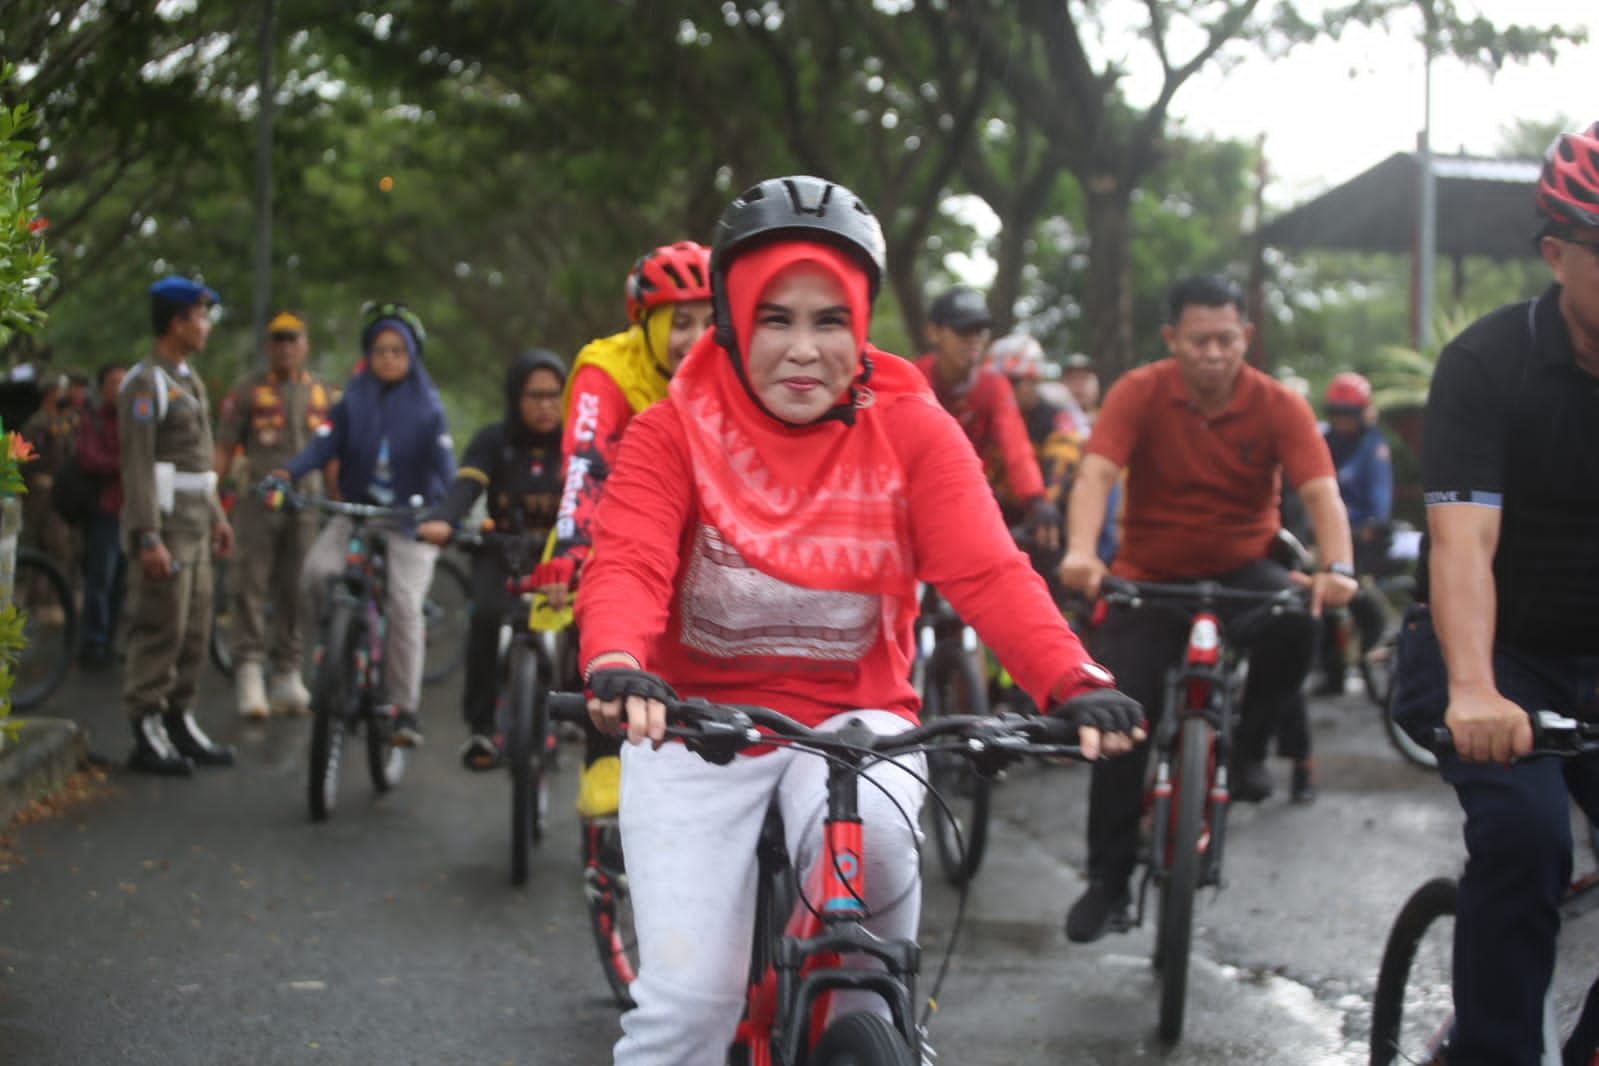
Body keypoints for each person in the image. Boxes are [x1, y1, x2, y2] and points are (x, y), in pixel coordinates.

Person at [576, 174, 1143, 1066]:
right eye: (775, 319)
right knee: (687, 1013)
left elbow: (988, 570)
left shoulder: (914, 429)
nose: (803, 350)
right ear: (730, 321)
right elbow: (631, 561)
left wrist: (1072, 679)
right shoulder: (668, 431)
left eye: (829, 320)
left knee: (872, 921)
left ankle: (872, 1022)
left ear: (863, 324)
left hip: (855, 724)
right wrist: (614, 658)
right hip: (692, 726)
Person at [1058, 274, 1357, 942]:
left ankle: (1247, 745)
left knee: (1296, 620)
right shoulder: (1137, 391)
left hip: (1240, 569)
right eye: (1199, 340)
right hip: (1150, 576)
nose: (1214, 353)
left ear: (1245, 336)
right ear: (1172, 340)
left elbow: (1320, 493)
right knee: (1118, 717)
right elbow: (1097, 474)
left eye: (1227, 339)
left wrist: (1336, 568)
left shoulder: (1276, 403)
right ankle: (1108, 879)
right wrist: (1083, 552)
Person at [1401, 120, 1599, 1066]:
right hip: (1488, 652)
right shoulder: (1490, 362)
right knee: (1525, 841)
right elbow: (1462, 543)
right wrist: (1475, 688)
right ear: (1557, 253)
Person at [535, 240, 714, 819]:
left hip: (702, 532)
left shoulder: (732, 365)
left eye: (711, 321)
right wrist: (569, 547)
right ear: (647, 322)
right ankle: (601, 752)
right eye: (680, 322)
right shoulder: (604, 369)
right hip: (605, 523)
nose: (696, 338)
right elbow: (585, 465)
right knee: (593, 609)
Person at [275, 303, 454, 748]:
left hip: (409, 522)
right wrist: (288, 472)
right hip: (355, 513)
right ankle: (335, 642)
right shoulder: (352, 399)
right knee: (316, 572)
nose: (388, 358)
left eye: (398, 350)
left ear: (412, 355)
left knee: (404, 603)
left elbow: (447, 468)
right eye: (380, 350)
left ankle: (403, 709)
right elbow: (321, 445)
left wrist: (448, 514)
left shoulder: (429, 408)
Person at [418, 349, 566, 770]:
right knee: (483, 617)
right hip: (501, 552)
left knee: (588, 621)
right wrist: (444, 519)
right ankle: (481, 726)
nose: (545, 405)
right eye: (534, 395)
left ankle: (578, 713)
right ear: (515, 398)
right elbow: (467, 484)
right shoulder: (493, 441)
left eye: (555, 395)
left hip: (562, 558)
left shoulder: (577, 441)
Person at [120, 275, 237, 776]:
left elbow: (196, 466)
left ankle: (178, 720)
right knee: (160, 630)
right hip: (165, 530)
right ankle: (146, 726)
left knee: (194, 631)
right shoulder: (145, 384)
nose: (206, 326)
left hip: (194, 526)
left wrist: (218, 516)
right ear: (176, 322)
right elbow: (139, 466)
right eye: (200, 316)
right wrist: (148, 537)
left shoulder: (186, 379)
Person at [213, 311, 332, 720]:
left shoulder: (321, 392)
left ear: (305, 345)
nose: (285, 347)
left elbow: (334, 456)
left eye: (292, 339)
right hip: (258, 502)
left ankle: (287, 671)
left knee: (296, 586)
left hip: (307, 504)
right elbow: (225, 446)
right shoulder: (248, 390)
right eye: (277, 340)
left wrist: (340, 499)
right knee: (249, 583)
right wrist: (212, 496)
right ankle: (248, 669)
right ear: (268, 346)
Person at [914, 287, 1059, 544]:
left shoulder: (993, 386)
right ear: (933, 333)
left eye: (979, 331)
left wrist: (1036, 499)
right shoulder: (914, 377)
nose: (973, 340)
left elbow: (1016, 447)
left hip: (967, 495)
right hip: (913, 494)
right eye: (962, 331)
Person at [1313, 371, 1394, 696]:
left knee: (1357, 599)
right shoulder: (1324, 441)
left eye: (1347, 415)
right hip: (1318, 536)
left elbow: (1378, 504)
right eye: (1337, 414)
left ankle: (1364, 654)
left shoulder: (1373, 448)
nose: (1341, 421)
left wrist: (1359, 529)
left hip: (1360, 538)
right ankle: (1329, 668)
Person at [75, 363, 127, 670]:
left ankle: (110, 641)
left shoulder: (134, 420)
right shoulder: (91, 420)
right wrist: (124, 463)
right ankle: (93, 642)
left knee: (121, 581)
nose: (120, 389)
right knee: (100, 578)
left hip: (128, 510)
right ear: (101, 388)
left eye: (124, 383)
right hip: (103, 510)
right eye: (114, 383)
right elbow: (89, 458)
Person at [20, 372, 77, 620]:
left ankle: (49, 600)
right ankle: (42, 602)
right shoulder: (37, 424)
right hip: (42, 492)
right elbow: (25, 460)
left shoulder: (66, 421)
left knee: (56, 547)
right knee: (51, 545)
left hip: (62, 489)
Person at [1060, 351, 1102, 427]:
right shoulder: (1048, 421)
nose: (1078, 384)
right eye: (1072, 378)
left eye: (1084, 378)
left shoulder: (1107, 418)